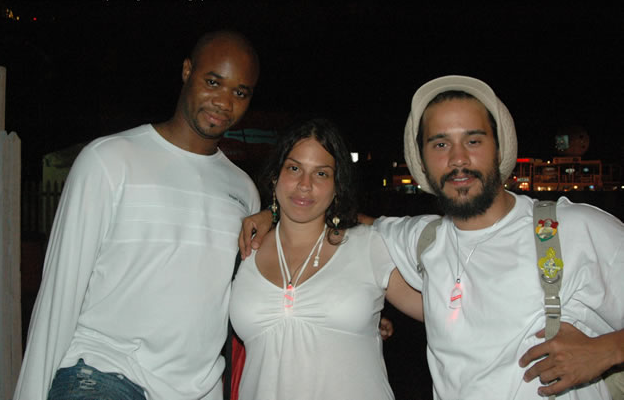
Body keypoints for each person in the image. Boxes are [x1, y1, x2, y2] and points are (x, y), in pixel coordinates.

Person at [239, 76, 623, 400]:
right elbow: (336, 216)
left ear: (499, 147)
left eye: (473, 140)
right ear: (421, 161)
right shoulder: (420, 239)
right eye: (440, 144)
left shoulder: (573, 229)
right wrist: (273, 213)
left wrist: (606, 350)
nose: (458, 159)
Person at [14, 30, 261, 400]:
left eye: (239, 92)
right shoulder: (110, 160)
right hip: (103, 371)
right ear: (186, 71)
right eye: (213, 82)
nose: (224, 101)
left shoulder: (244, 192)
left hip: (197, 387)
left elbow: (250, 298)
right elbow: (60, 291)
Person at [229, 118, 423, 400]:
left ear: (336, 186)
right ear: (275, 177)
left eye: (321, 174)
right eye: (294, 168)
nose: (304, 185)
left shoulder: (367, 245)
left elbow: (442, 310)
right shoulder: (245, 248)